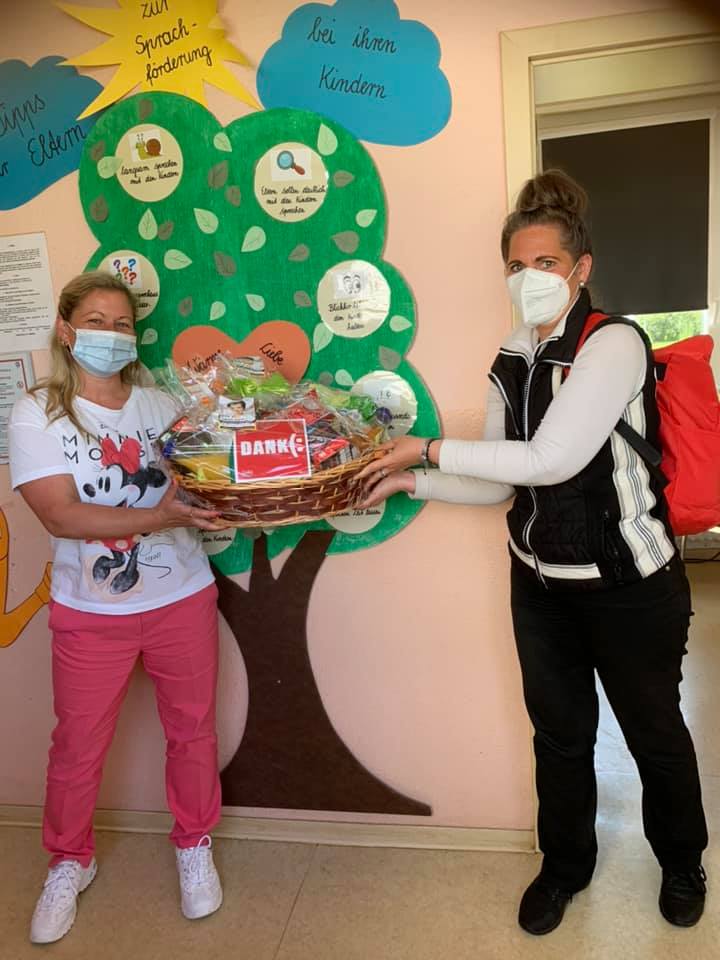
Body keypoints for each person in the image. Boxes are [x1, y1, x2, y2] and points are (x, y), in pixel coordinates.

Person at [361, 170, 708, 935]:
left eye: (545, 263)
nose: (529, 278)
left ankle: (683, 862)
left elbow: (550, 459)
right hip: (542, 589)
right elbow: (499, 483)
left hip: (630, 586)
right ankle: (564, 867)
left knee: (654, 733)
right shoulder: (511, 356)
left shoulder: (612, 343)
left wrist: (425, 447)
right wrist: (411, 483)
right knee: (559, 738)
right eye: (516, 265)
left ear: (581, 268)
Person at [8, 272, 230, 945]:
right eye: (96, 322)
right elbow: (61, 516)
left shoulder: (163, 406)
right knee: (77, 746)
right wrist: (162, 514)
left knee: (192, 732)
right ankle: (69, 860)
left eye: (123, 324)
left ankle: (193, 843)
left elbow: (207, 479)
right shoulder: (36, 413)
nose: (111, 334)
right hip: (89, 612)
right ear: (66, 330)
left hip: (181, 597)